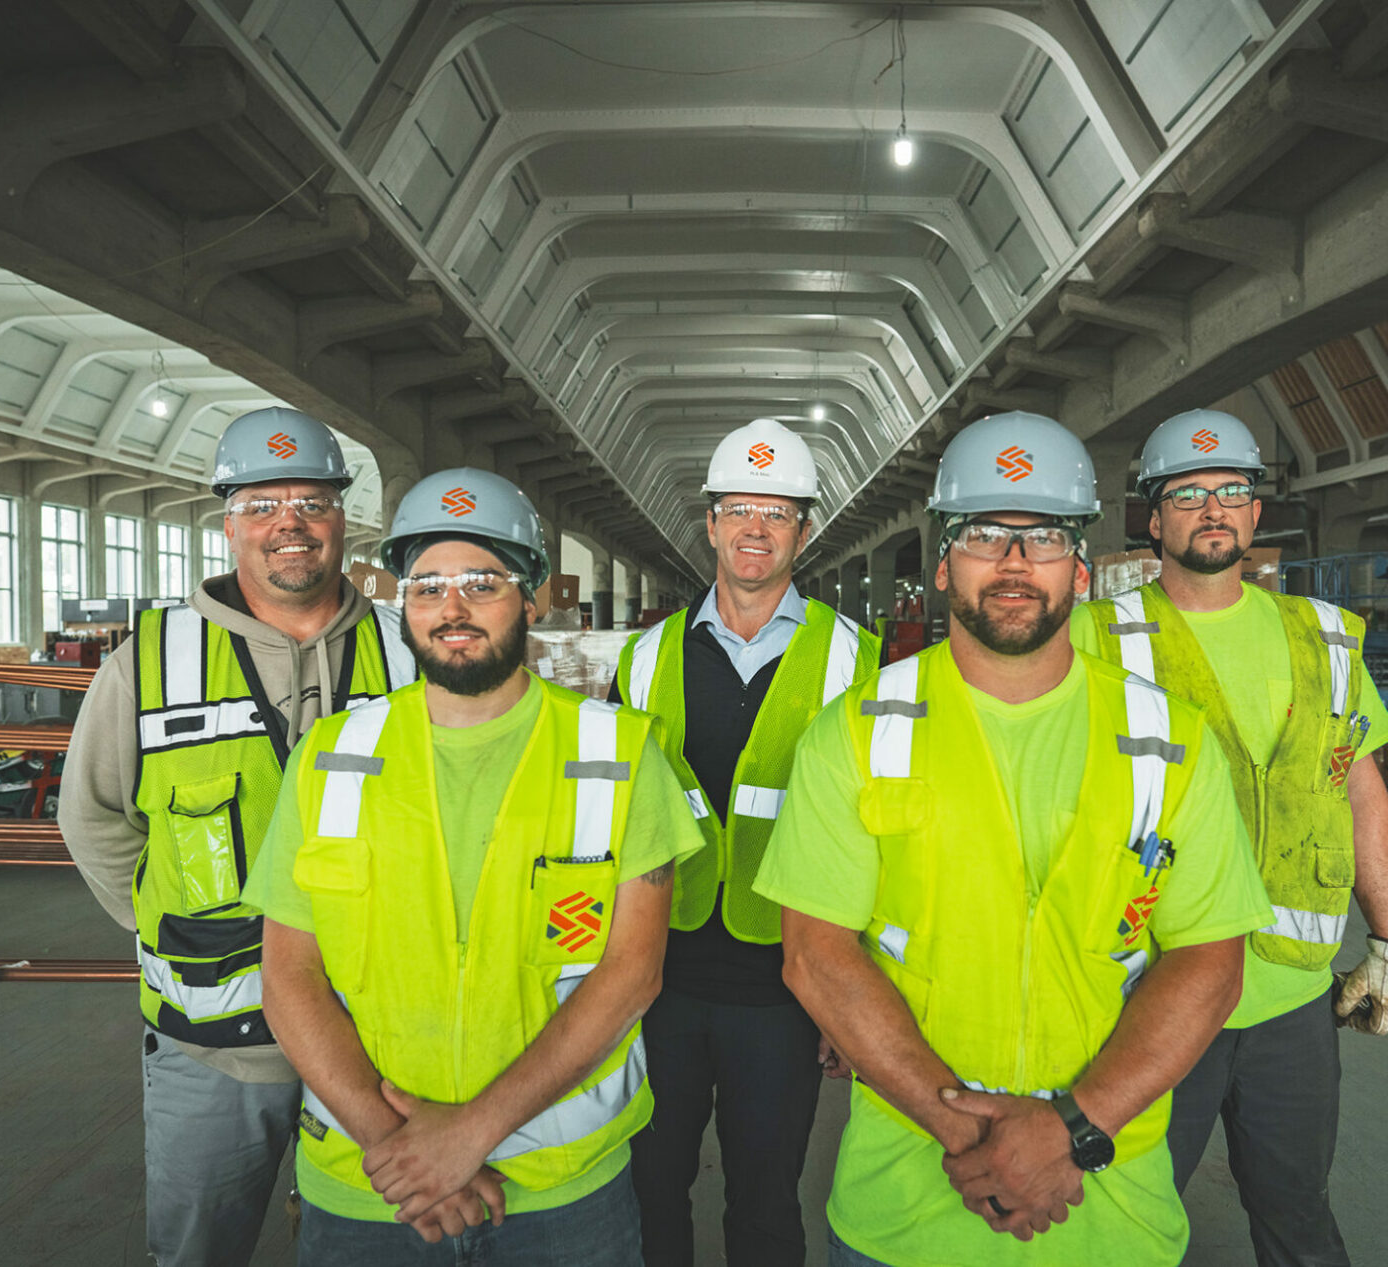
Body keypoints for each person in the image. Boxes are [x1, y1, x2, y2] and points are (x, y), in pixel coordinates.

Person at [755, 411, 1276, 1266]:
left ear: (1080, 567)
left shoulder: (1168, 740)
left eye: (1041, 539)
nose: (1012, 563)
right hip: (907, 1209)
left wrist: (1072, 1129)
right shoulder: (855, 734)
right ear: (941, 561)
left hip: (1109, 1214)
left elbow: (1210, 962)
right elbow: (815, 954)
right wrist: (970, 1134)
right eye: (984, 535)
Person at [244, 467, 704, 1263]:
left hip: (562, 1189)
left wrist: (467, 1136)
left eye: (481, 582)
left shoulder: (620, 752)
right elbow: (289, 976)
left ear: (532, 597)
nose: (450, 608)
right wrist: (407, 1152)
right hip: (367, 1189)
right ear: (403, 605)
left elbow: (632, 973)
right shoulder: (332, 757)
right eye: (426, 586)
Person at [1068, 408, 1388, 1267]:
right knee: (1114, 1221)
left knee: (1298, 1218)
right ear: (1152, 520)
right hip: (1151, 994)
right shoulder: (1100, 639)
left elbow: (1359, 787)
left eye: (1232, 489)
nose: (1213, 507)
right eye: (1186, 493)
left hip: (1292, 1003)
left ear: (1257, 513)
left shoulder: (1326, 639)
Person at [60, 406, 416, 1265]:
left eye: (311, 501)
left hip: (383, 1038)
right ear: (228, 523)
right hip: (213, 1047)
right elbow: (95, 816)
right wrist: (174, 921)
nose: (288, 523)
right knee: (198, 1250)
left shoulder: (409, 655)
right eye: (262, 504)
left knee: (383, 1248)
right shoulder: (149, 662)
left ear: (342, 521)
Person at [611, 417, 880, 1267]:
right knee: (649, 1189)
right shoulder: (646, 655)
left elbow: (881, 832)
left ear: (803, 529)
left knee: (766, 1203)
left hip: (786, 984)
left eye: (777, 511)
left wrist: (853, 989)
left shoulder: (856, 660)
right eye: (739, 509)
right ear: (712, 522)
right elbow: (615, 819)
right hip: (659, 978)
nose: (755, 527)